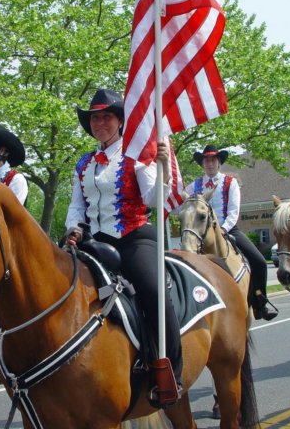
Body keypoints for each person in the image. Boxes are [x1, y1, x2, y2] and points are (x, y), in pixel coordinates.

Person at [64, 88, 182, 407]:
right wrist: (74, 229)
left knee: (154, 292)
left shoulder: (136, 157)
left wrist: (165, 170)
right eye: (94, 117)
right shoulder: (84, 163)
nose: (100, 122)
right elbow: (77, 206)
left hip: (134, 238)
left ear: (119, 121)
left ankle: (171, 372)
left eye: (106, 116)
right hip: (95, 243)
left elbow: (154, 200)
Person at [184, 145, 278, 321]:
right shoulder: (194, 186)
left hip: (227, 229)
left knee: (259, 262)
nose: (210, 164)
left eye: (213, 160)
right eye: (206, 160)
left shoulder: (230, 182)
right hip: (201, 233)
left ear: (219, 163)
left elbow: (234, 212)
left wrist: (223, 230)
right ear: (202, 164)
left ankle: (260, 303)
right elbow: (180, 204)